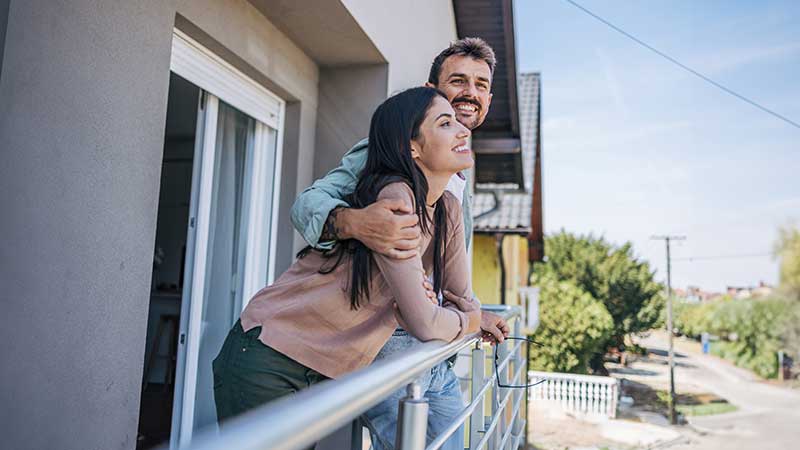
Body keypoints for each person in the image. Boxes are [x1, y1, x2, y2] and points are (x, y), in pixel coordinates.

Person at [212, 87, 483, 434]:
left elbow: (461, 298)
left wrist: (464, 316)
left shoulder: (448, 209)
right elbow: (427, 323)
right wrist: (468, 322)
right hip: (271, 356)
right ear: (410, 147)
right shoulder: (397, 199)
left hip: (322, 372)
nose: (462, 129)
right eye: (445, 123)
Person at [290, 38, 510, 450]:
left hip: (438, 341)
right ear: (431, 90)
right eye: (458, 81)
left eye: (481, 85)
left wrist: (475, 315)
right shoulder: (391, 149)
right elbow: (307, 205)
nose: (471, 93)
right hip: (393, 337)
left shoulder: (458, 165)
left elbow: (446, 261)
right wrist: (355, 222)